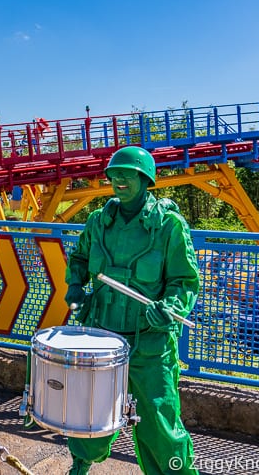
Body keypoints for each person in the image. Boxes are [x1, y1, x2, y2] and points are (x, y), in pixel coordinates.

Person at [64, 146, 199, 475]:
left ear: (145, 179)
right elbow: (80, 260)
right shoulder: (98, 221)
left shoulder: (169, 225)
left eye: (128, 174)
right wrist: (75, 290)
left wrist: (170, 308)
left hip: (149, 346)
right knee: (89, 415)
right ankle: (80, 466)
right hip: (100, 339)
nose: (119, 179)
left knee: (159, 427)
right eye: (114, 174)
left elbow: (184, 281)